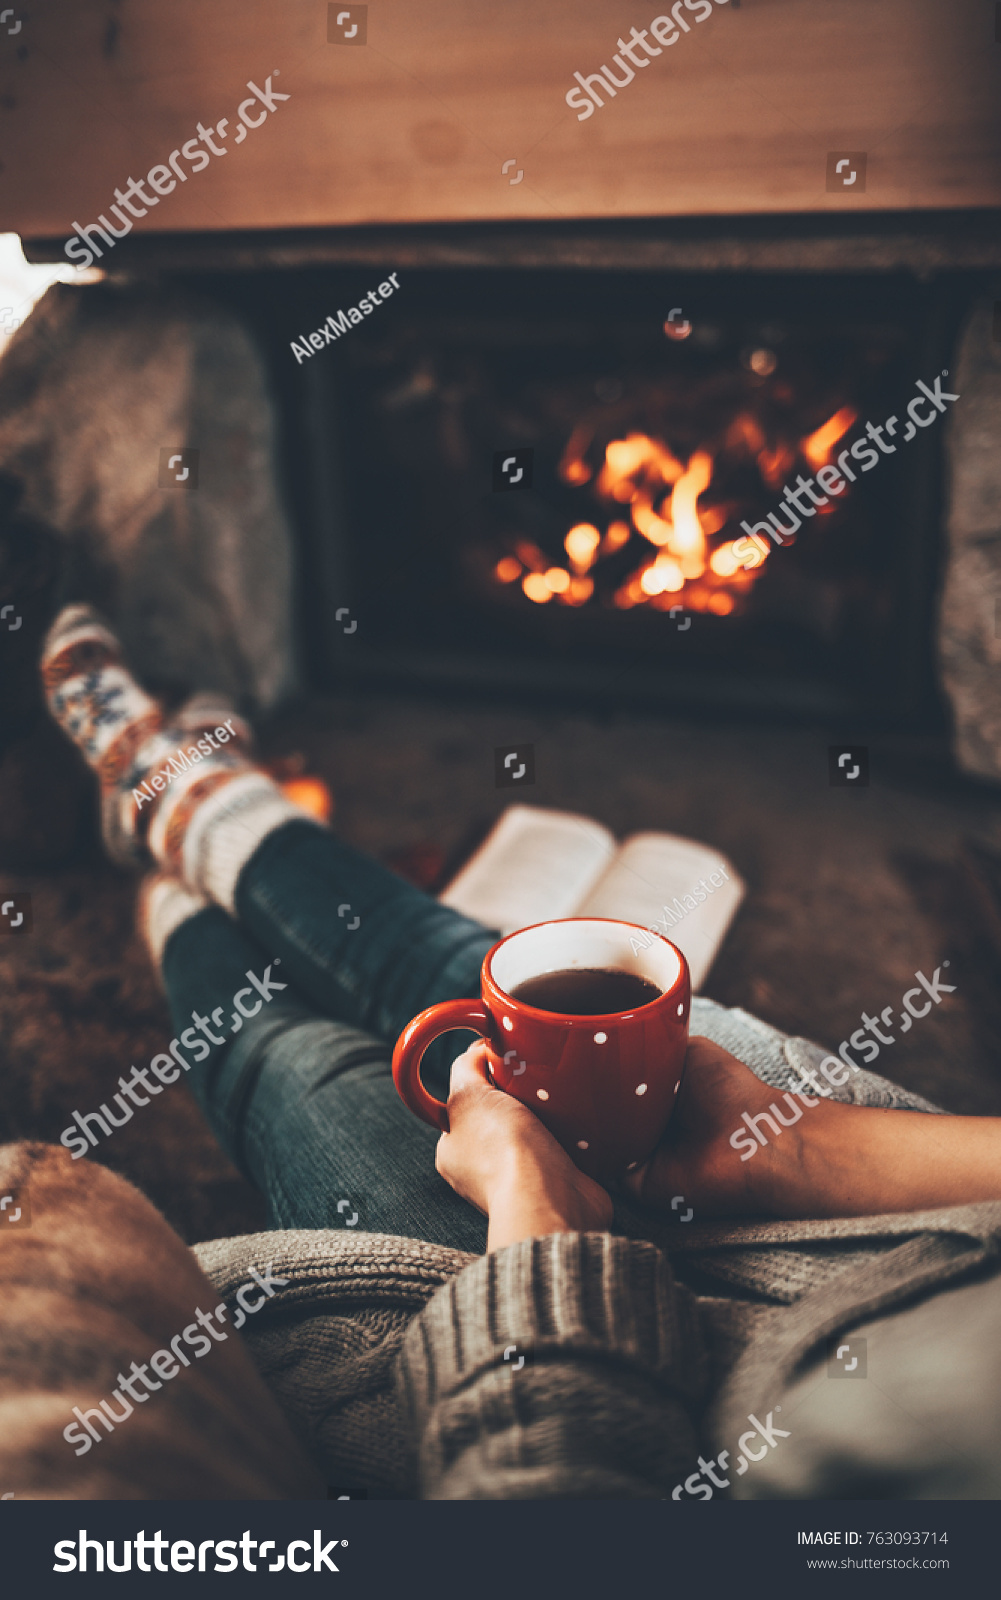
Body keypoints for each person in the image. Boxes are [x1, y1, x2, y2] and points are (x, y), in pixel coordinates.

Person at [32, 602, 1001, 1500]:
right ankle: (178, 795)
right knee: (441, 955)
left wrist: (535, 1216)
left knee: (291, 1052)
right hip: (873, 1182)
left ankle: (169, 822)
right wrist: (800, 1147)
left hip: (556, 1326)